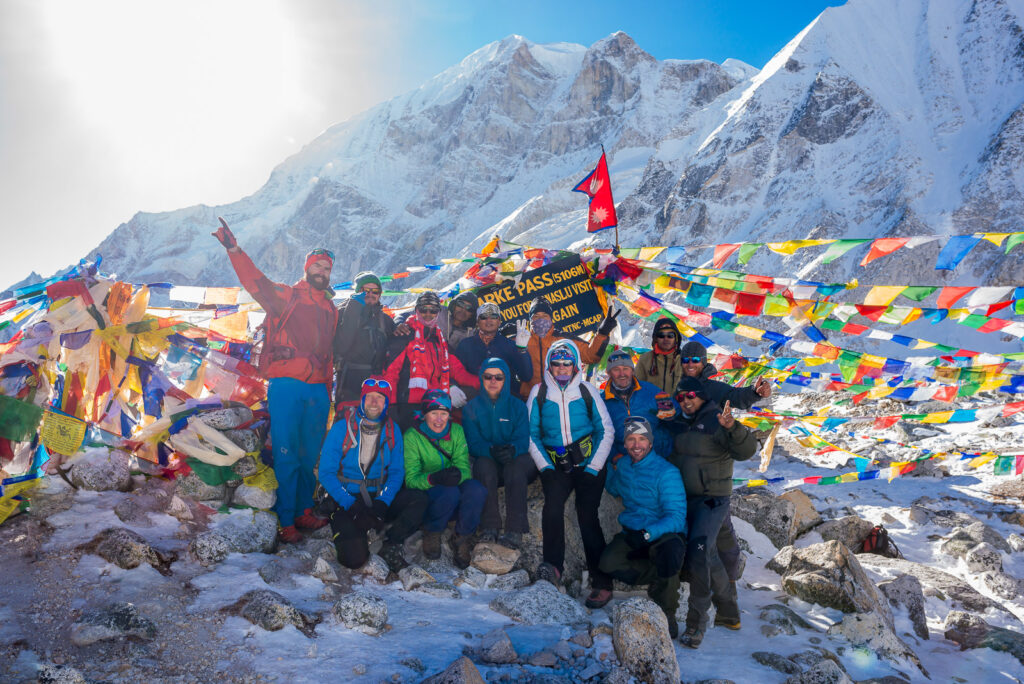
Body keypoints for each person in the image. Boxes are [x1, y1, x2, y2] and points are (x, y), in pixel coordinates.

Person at [212, 217, 337, 544]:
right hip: (286, 387)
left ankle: (302, 510)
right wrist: (235, 250)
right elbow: (256, 283)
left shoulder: (331, 308)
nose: (323, 271)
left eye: (327, 267)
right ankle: (285, 519)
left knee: (310, 455)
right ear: (307, 268)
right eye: (318, 266)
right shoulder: (286, 296)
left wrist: (328, 390)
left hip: (318, 390)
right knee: (286, 452)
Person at [668, 377, 756, 649]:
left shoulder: (717, 419)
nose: (686, 400)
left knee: (698, 551)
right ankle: (729, 611)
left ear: (703, 396)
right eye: (680, 397)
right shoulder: (679, 421)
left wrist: (733, 428)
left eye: (690, 394)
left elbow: (747, 450)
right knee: (707, 553)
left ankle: (696, 623)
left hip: (712, 500)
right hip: (686, 499)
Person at [527, 339, 614, 608]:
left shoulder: (587, 390)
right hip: (557, 465)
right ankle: (552, 568)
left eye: (567, 363)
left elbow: (605, 430)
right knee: (552, 508)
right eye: (556, 363)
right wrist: (546, 468)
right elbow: (530, 434)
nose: (562, 368)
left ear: (575, 365)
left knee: (586, 514)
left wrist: (593, 468)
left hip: (589, 463)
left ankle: (601, 581)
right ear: (549, 365)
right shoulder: (539, 392)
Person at [316, 377, 427, 572]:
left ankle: (391, 543)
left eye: (380, 398)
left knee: (419, 500)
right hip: (347, 498)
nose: (374, 402)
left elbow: (396, 472)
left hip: (378, 496)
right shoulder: (341, 428)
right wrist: (351, 505)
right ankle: (364, 530)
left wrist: (383, 502)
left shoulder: (392, 430)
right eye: (369, 397)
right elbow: (326, 473)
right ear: (362, 400)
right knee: (354, 559)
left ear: (386, 403)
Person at [599, 417, 687, 637]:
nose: (636, 444)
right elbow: (614, 488)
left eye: (641, 439)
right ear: (625, 443)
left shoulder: (667, 472)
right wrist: (610, 466)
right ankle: (662, 578)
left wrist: (648, 534)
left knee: (669, 552)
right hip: (632, 531)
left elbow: (676, 517)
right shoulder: (625, 466)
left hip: (662, 533)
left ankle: (668, 610)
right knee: (608, 562)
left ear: (650, 442)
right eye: (630, 439)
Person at [403, 389, 488, 568]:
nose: (439, 419)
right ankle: (432, 531)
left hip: (452, 487)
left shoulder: (456, 431)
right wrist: (434, 478)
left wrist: (456, 476)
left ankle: (462, 536)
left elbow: (463, 466)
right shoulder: (412, 436)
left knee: (476, 490)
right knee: (449, 493)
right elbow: (411, 479)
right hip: (428, 495)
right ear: (425, 414)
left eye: (444, 414)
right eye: (434, 413)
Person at [462, 357, 535, 548]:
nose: (493, 381)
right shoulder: (471, 408)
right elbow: (473, 441)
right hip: (490, 459)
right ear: (481, 378)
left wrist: (513, 449)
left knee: (515, 469)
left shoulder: (517, 406)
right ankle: (490, 527)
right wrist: (490, 450)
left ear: (506, 379)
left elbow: (523, 437)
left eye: (499, 377)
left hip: (514, 458)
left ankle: (514, 530)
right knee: (482, 466)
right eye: (488, 376)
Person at [384, 291, 479, 431]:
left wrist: (484, 383)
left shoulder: (438, 340)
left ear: (438, 312)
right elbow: (390, 375)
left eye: (433, 310)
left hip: (433, 405)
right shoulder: (404, 335)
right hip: (407, 407)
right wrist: (390, 407)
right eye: (423, 309)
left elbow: (457, 370)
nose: (428, 314)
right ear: (416, 310)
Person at [520, 296, 618, 397]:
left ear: (551, 318)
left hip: (560, 399)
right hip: (528, 400)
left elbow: (590, 356)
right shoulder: (521, 339)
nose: (540, 319)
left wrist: (602, 333)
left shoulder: (564, 339)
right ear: (530, 320)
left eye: (545, 315)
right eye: (536, 316)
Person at [601, 349, 679, 460]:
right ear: (608, 373)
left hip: (657, 458)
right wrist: (614, 456)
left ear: (632, 371)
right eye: (616, 369)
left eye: (626, 369)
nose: (622, 374)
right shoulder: (602, 401)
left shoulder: (651, 391)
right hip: (624, 461)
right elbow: (601, 434)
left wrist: (670, 413)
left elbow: (676, 415)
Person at [332, 272, 396, 406]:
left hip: (376, 385)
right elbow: (341, 346)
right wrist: (354, 309)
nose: (370, 294)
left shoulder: (385, 321)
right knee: (347, 422)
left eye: (375, 291)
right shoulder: (342, 313)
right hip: (349, 383)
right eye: (365, 290)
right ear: (357, 291)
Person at [454, 302, 532, 391]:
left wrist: (522, 350)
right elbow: (455, 374)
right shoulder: (465, 345)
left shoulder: (510, 345)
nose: (489, 320)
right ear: (477, 322)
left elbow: (526, 376)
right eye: (484, 317)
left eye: (494, 317)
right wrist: (453, 387)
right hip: (476, 400)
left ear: (499, 322)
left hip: (507, 401)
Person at [675, 339, 772, 411]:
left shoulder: (716, 389)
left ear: (704, 362)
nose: (690, 364)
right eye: (686, 360)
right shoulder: (671, 386)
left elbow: (736, 397)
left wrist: (754, 393)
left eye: (696, 360)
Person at [394, 291, 479, 350]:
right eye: (460, 304)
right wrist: (399, 323)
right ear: (454, 305)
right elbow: (405, 314)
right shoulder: (437, 311)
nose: (463, 310)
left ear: (473, 314)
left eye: (469, 308)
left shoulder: (472, 333)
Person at [635, 317, 686, 394]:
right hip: (651, 405)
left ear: (676, 338)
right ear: (656, 338)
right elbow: (636, 388)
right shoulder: (645, 359)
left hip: (678, 405)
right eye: (661, 335)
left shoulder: (685, 360)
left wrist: (705, 372)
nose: (666, 339)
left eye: (670, 335)